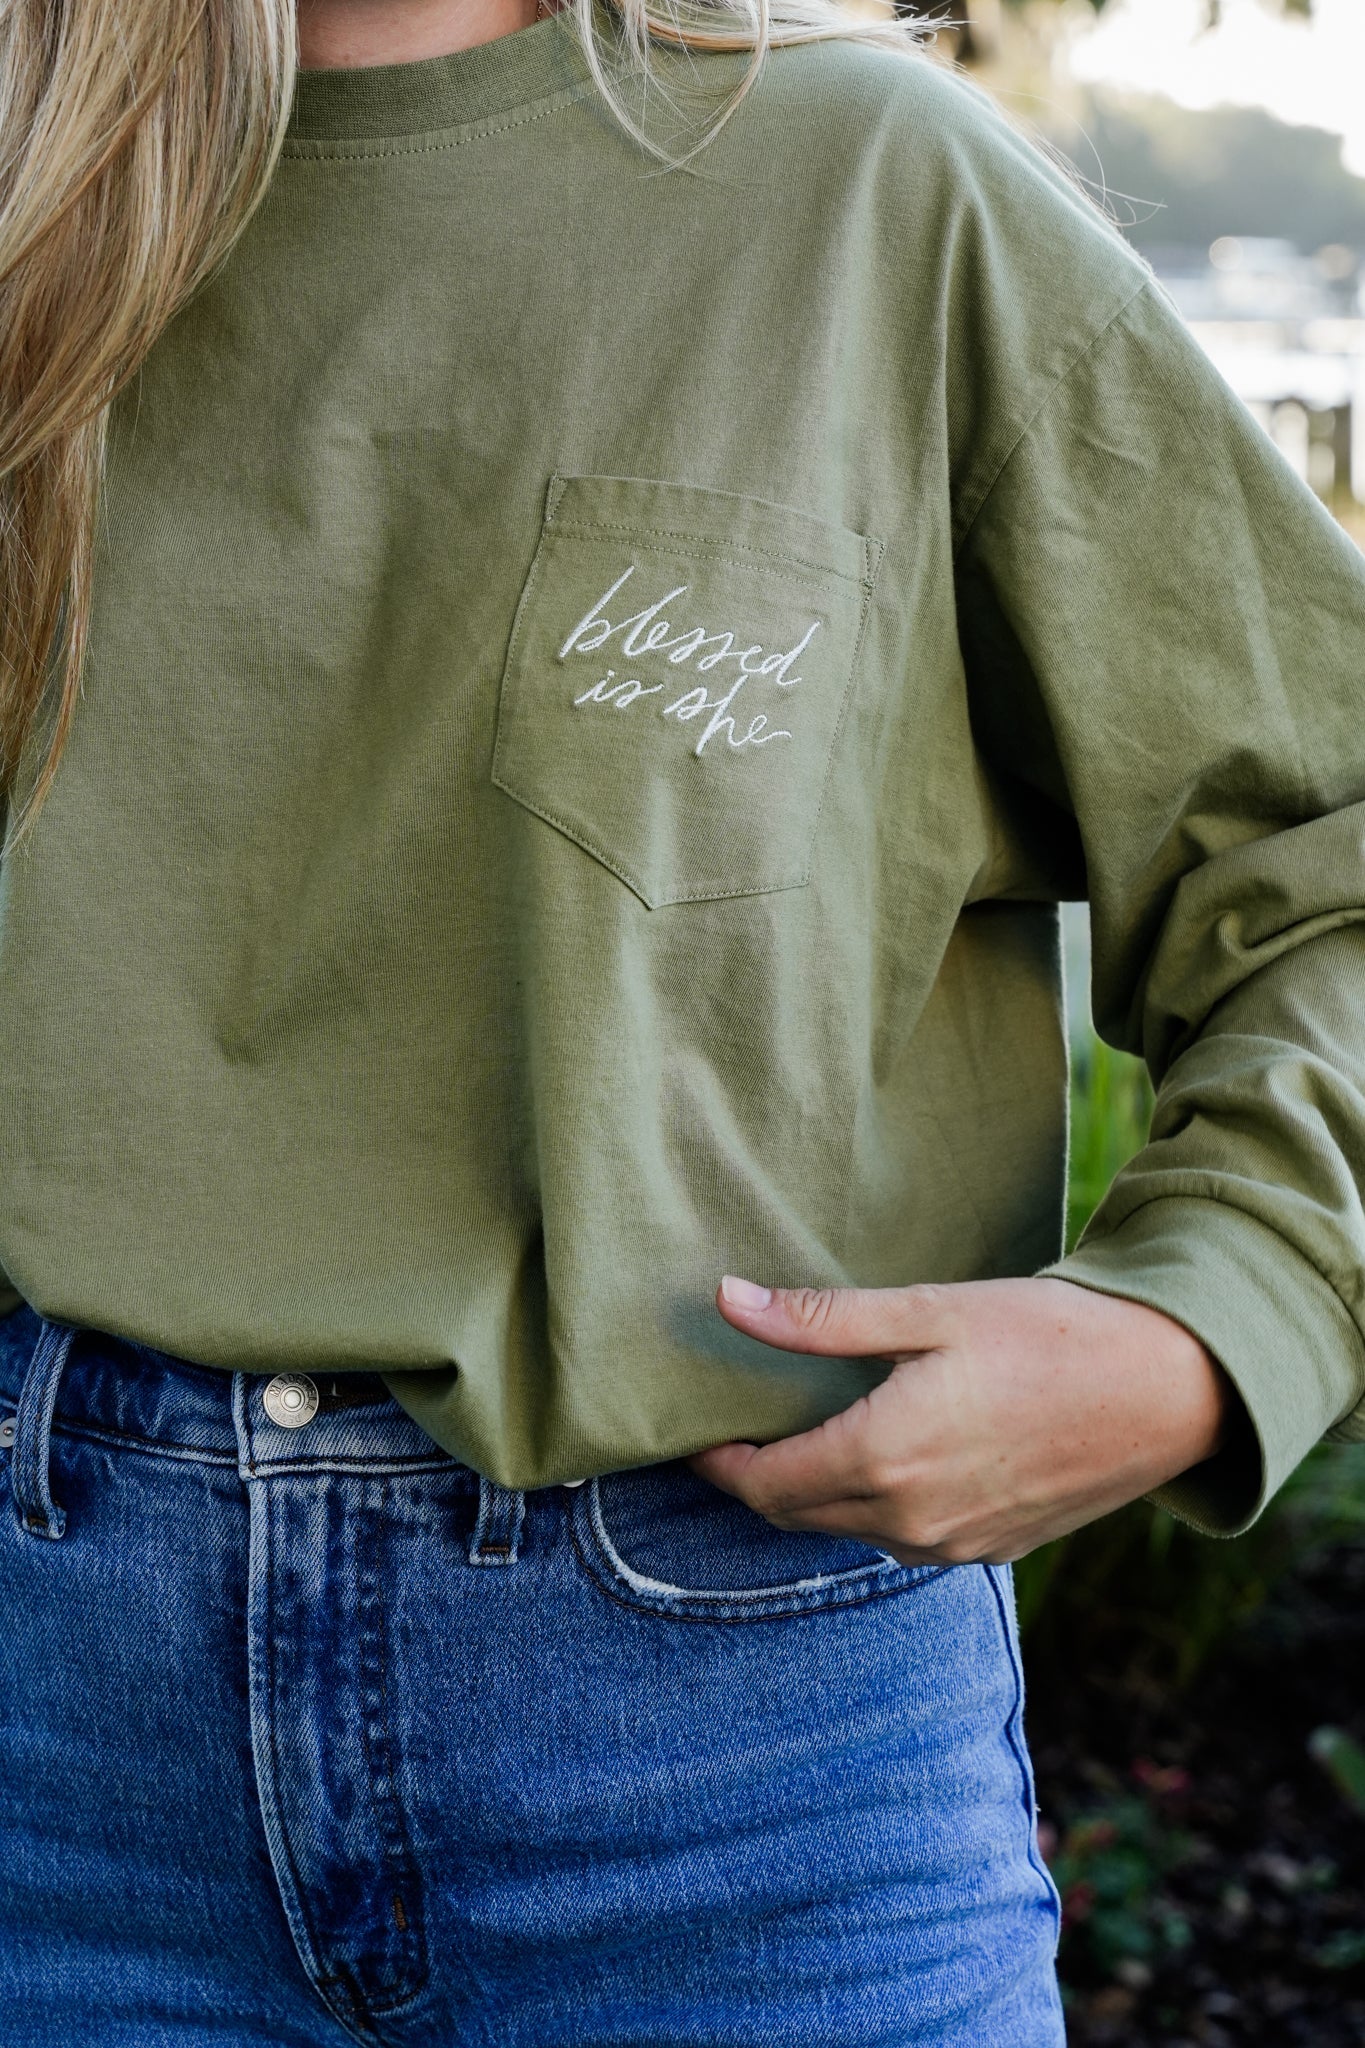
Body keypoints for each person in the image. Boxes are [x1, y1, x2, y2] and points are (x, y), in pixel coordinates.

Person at [1, 0, 1362, 2035]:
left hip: (738, 1749)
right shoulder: (32, 228)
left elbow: (1323, 867)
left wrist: (1208, 1318)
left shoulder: (870, 200)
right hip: (48, 1759)